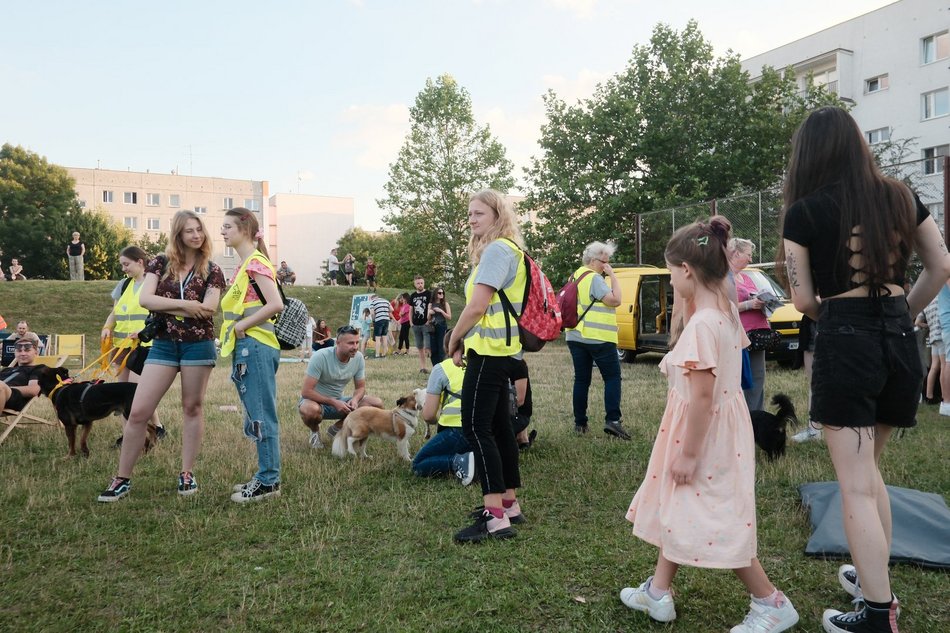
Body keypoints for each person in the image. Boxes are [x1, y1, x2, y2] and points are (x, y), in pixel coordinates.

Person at [781, 106, 950, 633]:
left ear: (807, 155)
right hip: (901, 339)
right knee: (869, 473)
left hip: (846, 336)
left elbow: (803, 297)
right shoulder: (901, 194)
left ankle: (878, 614)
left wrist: (842, 317)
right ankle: (873, 580)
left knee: (854, 484)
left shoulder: (804, 211)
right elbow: (942, 265)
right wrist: (905, 311)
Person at [622, 217, 799, 633]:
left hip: (703, 438)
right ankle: (657, 592)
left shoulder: (705, 325)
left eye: (670, 272)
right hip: (720, 431)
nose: (670, 280)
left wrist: (687, 454)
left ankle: (770, 602)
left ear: (686, 271)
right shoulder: (721, 314)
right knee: (680, 507)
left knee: (716, 518)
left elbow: (702, 398)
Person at [97, 210, 225, 503]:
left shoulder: (212, 269)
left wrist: (170, 306)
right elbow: (145, 299)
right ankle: (122, 478)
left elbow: (209, 308)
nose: (196, 235)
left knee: (192, 407)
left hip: (198, 344)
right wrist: (186, 305)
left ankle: (187, 472)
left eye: (199, 230)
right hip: (164, 344)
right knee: (139, 410)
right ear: (177, 234)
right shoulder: (160, 262)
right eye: (189, 231)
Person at [446, 189, 527, 544]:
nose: (471, 219)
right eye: (469, 214)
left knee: (477, 428)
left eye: (479, 213)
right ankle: (509, 504)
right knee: (500, 427)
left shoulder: (496, 250)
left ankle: (494, 516)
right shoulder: (511, 249)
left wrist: (454, 337)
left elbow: (478, 306)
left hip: (489, 350)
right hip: (503, 351)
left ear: (497, 215)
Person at [219, 208, 285, 503]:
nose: (222, 232)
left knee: (261, 414)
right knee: (256, 412)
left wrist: (243, 326)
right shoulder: (246, 264)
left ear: (245, 229)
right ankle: (264, 475)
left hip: (255, 344)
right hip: (249, 347)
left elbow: (275, 303)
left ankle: (269, 481)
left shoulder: (255, 264)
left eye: (227, 226)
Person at [101, 246, 165, 445]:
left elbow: (160, 315)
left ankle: (142, 432)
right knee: (123, 393)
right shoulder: (123, 285)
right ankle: (137, 432)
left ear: (140, 262)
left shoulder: (154, 283)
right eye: (122, 265)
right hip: (121, 346)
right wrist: (107, 327)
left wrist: (144, 332)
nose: (124, 269)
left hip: (144, 346)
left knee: (137, 393)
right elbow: (115, 312)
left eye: (126, 264)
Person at [565, 241, 629, 440]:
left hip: (575, 336)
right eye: (604, 262)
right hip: (599, 338)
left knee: (582, 379)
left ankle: (580, 423)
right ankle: (613, 421)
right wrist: (612, 276)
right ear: (593, 261)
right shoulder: (594, 278)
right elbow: (615, 300)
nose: (606, 265)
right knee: (612, 378)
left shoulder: (574, 275)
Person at [298, 325, 384, 449]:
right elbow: (306, 392)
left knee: (376, 404)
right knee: (309, 410)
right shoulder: (320, 357)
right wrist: (333, 402)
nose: (355, 347)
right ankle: (315, 432)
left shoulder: (358, 358)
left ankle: (337, 429)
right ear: (337, 343)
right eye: (350, 343)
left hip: (339, 402)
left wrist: (354, 400)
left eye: (356, 342)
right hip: (316, 402)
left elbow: (360, 388)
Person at [412, 328, 476, 485]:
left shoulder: (442, 369)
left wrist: (435, 419)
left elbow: (428, 415)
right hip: (490, 430)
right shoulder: (486, 364)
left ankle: (459, 461)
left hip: (459, 429)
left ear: (447, 348)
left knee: (419, 463)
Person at [729, 238, 769, 412]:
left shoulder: (746, 277)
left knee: (758, 375)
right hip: (738, 335)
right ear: (736, 253)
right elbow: (722, 307)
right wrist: (749, 305)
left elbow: (755, 297)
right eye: (748, 255)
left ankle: (756, 415)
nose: (751, 259)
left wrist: (763, 302)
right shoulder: (723, 277)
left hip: (758, 334)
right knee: (737, 377)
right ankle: (739, 415)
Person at [0, 333, 43, 413]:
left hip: (13, 398)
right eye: (19, 351)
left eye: (27, 350)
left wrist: (6, 389)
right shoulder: (6, 370)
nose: (23, 353)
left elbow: (33, 390)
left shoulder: (38, 369)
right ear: (15, 353)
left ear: (36, 352)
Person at [914, 296, 942, 405]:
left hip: (932, 335)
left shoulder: (927, 302)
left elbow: (917, 322)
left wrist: (930, 325)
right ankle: (945, 397)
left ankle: (929, 396)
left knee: (934, 366)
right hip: (942, 333)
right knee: (945, 365)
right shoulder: (943, 298)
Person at [409, 276, 432, 374]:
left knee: (428, 346)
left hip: (426, 324)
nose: (420, 285)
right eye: (418, 283)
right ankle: (423, 367)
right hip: (416, 325)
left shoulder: (428, 294)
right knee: (420, 347)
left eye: (421, 283)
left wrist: (429, 320)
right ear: (415, 284)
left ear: (424, 283)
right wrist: (411, 322)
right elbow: (411, 310)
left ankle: (434, 366)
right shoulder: (413, 295)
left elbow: (431, 307)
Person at [427, 287, 452, 366]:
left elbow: (449, 317)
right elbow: (428, 318)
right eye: (439, 293)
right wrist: (429, 313)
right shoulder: (430, 304)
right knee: (433, 348)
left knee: (441, 347)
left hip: (442, 326)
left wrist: (441, 311)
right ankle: (435, 366)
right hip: (432, 327)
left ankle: (442, 366)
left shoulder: (445, 304)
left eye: (442, 293)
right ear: (435, 294)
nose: (441, 294)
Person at [369, 292, 392, 358]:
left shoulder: (373, 302)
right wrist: (385, 313)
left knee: (378, 338)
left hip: (378, 320)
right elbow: (392, 309)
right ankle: (384, 354)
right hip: (386, 320)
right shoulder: (386, 301)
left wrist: (373, 320)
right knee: (384, 337)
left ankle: (377, 354)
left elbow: (372, 313)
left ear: (372, 298)